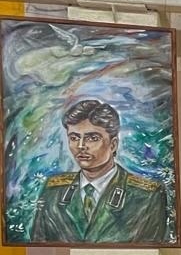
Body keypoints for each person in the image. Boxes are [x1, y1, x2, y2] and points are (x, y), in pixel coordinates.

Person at [28, 99, 169, 244]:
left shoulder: (146, 196)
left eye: (92, 138)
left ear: (113, 145)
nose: (81, 146)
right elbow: (38, 247)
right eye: (74, 138)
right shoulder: (53, 191)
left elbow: (152, 251)